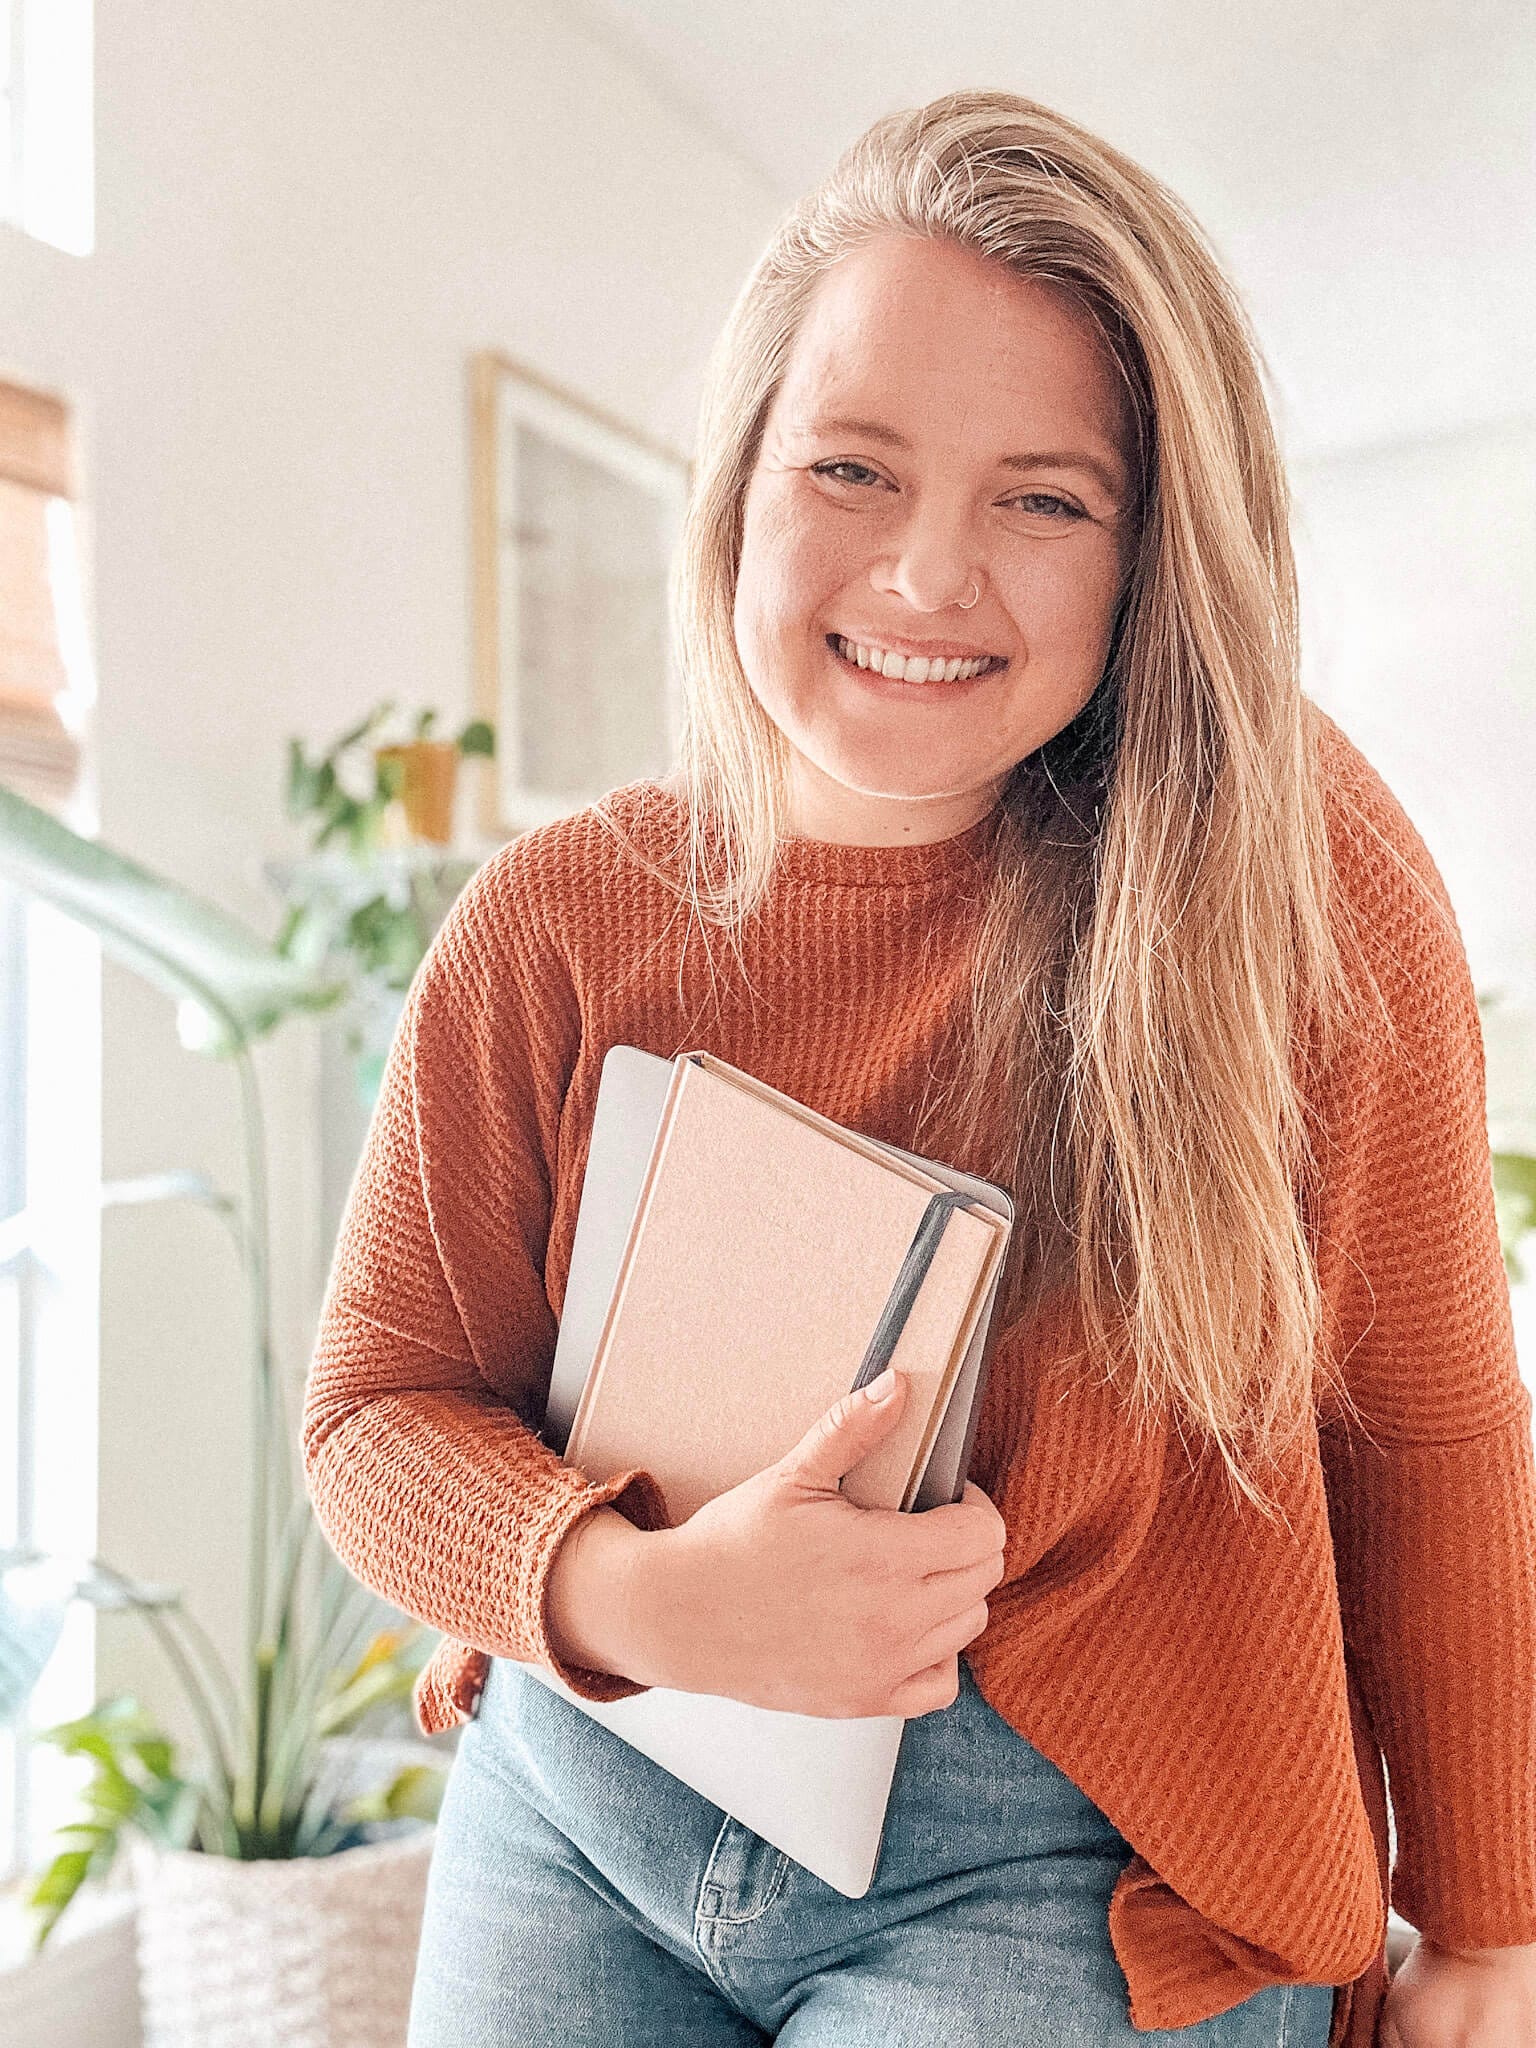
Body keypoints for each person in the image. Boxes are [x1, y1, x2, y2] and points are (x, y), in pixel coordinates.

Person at [300, 89, 1536, 2048]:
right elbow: (377, 1415)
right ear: (742, 491)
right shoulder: (553, 918)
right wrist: (645, 1601)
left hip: (1073, 1846)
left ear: (1152, 557)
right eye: (854, 470)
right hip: (590, 1779)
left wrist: (1488, 1919)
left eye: (1044, 498)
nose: (927, 573)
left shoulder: (1288, 870)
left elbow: (1432, 1418)